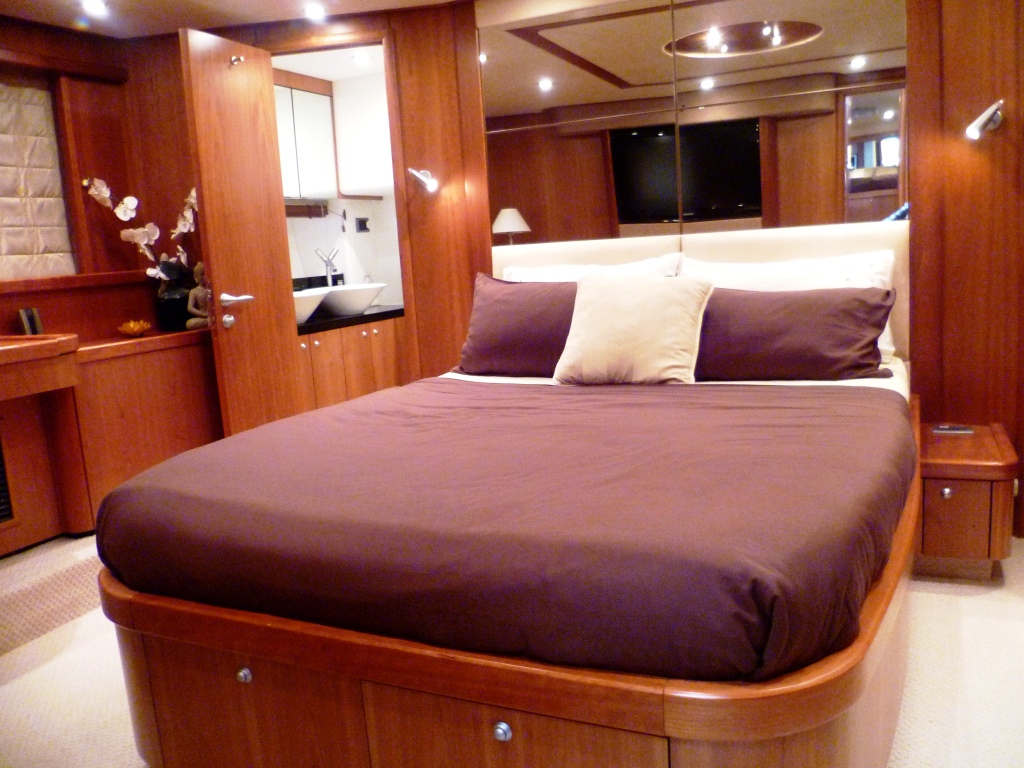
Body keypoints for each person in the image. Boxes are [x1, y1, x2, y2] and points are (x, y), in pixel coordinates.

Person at [185, 261, 211, 329]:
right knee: (189, 323)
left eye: (206, 273)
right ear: (195, 277)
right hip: (204, 317)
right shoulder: (194, 291)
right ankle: (208, 322)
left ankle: (210, 321)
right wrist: (205, 314)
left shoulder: (212, 288)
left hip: (214, 315)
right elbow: (190, 308)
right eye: (202, 274)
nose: (205, 276)